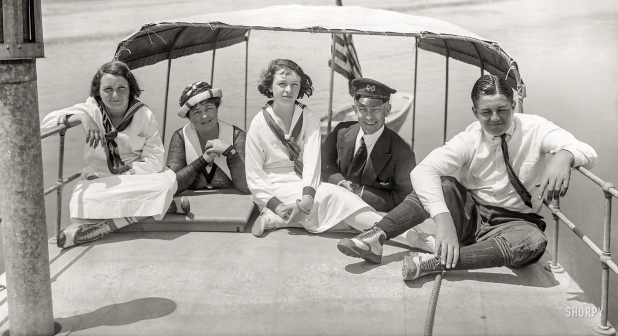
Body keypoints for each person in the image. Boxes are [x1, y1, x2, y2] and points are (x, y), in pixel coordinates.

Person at [337, 74, 598, 279]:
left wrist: (564, 156)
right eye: (486, 112)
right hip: (470, 215)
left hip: (515, 221)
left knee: (533, 242)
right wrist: (443, 220)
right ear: (475, 111)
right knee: (443, 185)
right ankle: (375, 238)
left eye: (502, 110)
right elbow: (423, 170)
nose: (495, 118)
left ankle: (436, 262)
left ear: (514, 106)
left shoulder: (537, 128)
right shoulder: (469, 137)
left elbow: (587, 151)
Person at [245, 59, 434, 255]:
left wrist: (308, 197)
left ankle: (278, 220)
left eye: (295, 85)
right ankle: (412, 238)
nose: (288, 90)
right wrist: (276, 205)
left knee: (336, 207)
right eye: (282, 84)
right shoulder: (258, 124)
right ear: (270, 86)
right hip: (273, 189)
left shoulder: (308, 118)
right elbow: (254, 176)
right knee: (333, 196)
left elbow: (312, 162)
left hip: (305, 182)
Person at [42, 61, 185, 248]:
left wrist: (128, 174)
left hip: (140, 176)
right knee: (82, 200)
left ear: (131, 89)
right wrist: (82, 118)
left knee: (164, 186)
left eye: (121, 88)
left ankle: (100, 229)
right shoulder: (91, 109)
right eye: (108, 89)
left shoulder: (144, 114)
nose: (115, 95)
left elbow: (155, 160)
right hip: (104, 177)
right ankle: (166, 206)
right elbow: (46, 124)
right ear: (98, 91)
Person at [321, 78, 416, 212]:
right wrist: (340, 182)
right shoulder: (340, 132)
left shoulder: (403, 153)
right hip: (334, 209)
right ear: (355, 109)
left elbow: (406, 198)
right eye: (363, 109)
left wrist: (361, 194)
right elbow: (323, 162)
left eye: (376, 110)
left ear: (387, 110)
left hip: (374, 216)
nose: (369, 116)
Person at [167, 81, 249, 194]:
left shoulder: (237, 135)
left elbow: (246, 186)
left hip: (232, 207)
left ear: (217, 108)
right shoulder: (180, 137)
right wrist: (204, 160)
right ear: (189, 117)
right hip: (193, 209)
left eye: (208, 108)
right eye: (196, 112)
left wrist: (230, 152)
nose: (204, 116)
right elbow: (171, 186)